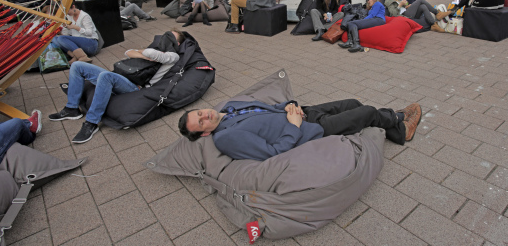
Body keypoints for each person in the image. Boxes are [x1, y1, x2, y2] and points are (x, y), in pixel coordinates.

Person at [48, 30, 185, 143]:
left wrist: (144, 53)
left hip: (135, 87)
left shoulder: (172, 56)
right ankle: (72, 108)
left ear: (176, 43)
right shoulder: (158, 50)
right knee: (77, 66)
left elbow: (150, 54)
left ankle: (91, 122)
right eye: (165, 34)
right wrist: (142, 54)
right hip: (124, 77)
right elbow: (128, 52)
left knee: (105, 76)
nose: (165, 37)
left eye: (170, 36)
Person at [178, 98, 423, 161]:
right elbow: (271, 152)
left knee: (352, 105)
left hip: (305, 112)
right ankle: (399, 119)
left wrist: (288, 106)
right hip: (310, 130)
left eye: (199, 113)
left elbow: (270, 107)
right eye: (201, 123)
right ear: (205, 133)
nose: (205, 116)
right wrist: (294, 126)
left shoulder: (229, 107)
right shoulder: (226, 138)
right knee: (367, 111)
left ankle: (396, 132)